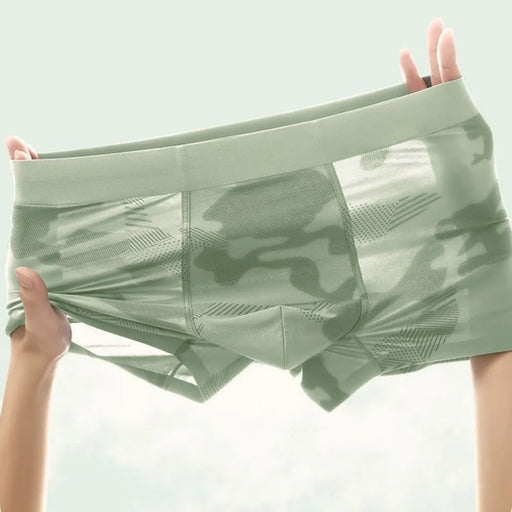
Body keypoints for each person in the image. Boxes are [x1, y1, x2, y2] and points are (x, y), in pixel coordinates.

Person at [0, 17, 510, 512]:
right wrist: (473, 235)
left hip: (126, 236)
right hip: (366, 206)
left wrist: (34, 353)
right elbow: (492, 318)